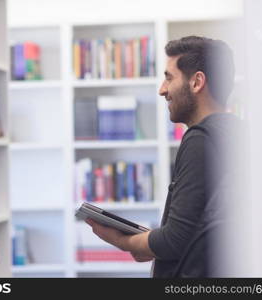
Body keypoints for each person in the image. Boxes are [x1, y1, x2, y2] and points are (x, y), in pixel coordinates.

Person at [85, 36, 242, 277]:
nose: (162, 90)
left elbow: (174, 239)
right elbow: (193, 232)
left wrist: (124, 242)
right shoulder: (235, 131)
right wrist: (150, 242)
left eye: (169, 77)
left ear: (197, 82)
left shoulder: (200, 138)